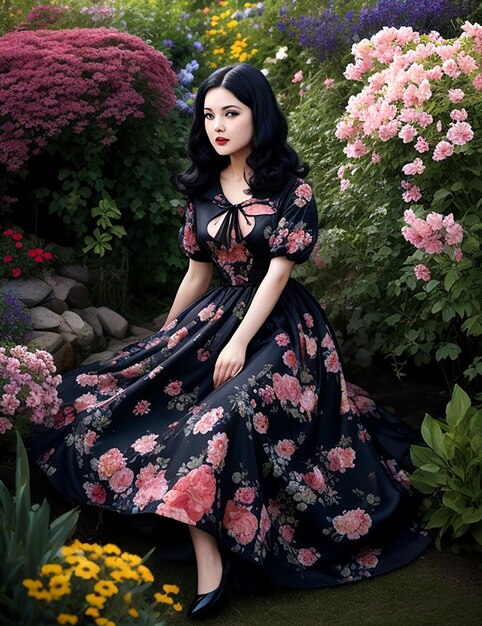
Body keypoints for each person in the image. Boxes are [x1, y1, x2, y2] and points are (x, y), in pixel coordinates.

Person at [29, 63, 431, 619]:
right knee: (113, 394)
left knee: (219, 417)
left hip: (284, 332)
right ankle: (206, 550)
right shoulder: (200, 188)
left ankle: (211, 566)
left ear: (258, 116)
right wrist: (166, 336)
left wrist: (240, 343)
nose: (217, 126)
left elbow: (276, 275)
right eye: (209, 114)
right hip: (216, 316)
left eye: (231, 113)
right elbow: (198, 274)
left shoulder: (293, 190)